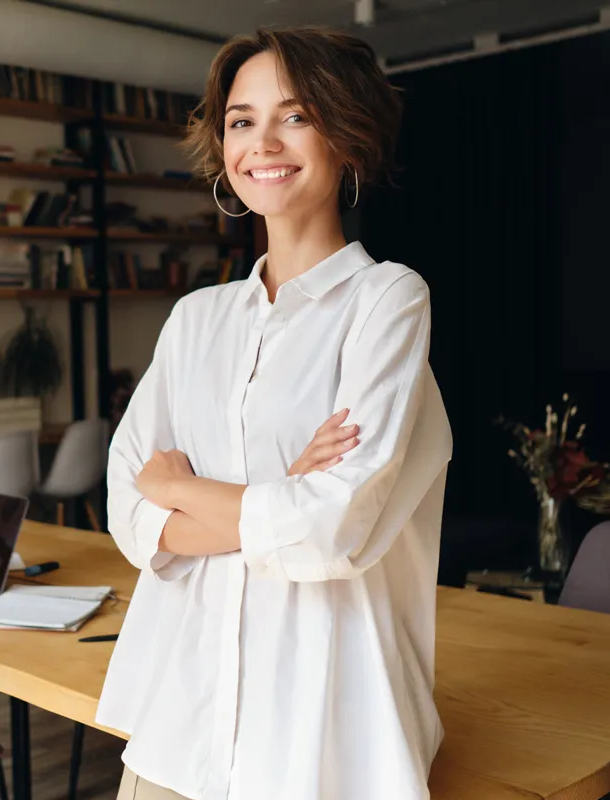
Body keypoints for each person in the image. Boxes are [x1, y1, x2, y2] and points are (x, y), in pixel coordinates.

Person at [99, 25, 454, 800]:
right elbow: (127, 510)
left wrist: (181, 488)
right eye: (241, 120)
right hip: (181, 722)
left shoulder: (387, 301)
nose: (262, 142)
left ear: (347, 136)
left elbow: (334, 526)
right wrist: (278, 495)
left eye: (295, 115)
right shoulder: (195, 320)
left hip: (322, 725)